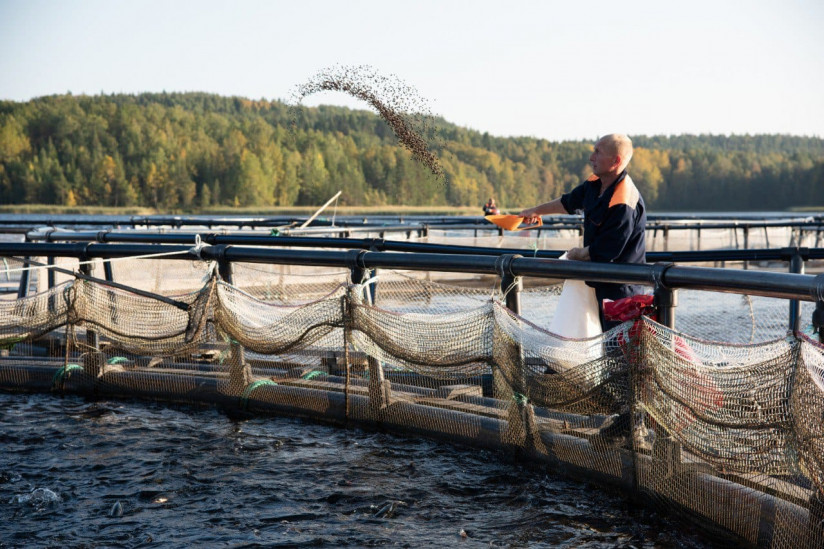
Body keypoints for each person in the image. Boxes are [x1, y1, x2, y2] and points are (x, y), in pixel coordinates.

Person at [520, 133, 646, 332]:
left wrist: (577, 254)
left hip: (620, 289)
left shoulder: (624, 201)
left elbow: (606, 250)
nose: (591, 157)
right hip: (596, 279)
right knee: (598, 343)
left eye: (598, 152)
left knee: (618, 347)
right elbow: (568, 202)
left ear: (616, 161)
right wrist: (535, 211)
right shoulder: (595, 183)